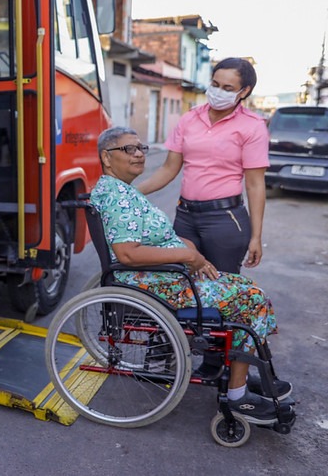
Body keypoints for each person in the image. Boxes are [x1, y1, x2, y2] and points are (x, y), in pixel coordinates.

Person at [90, 126, 292, 425]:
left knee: (246, 287)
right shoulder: (118, 196)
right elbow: (128, 254)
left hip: (164, 277)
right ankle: (237, 396)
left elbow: (146, 239)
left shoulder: (122, 191)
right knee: (251, 299)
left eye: (140, 148)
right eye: (128, 149)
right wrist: (188, 255)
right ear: (107, 158)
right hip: (156, 283)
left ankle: (243, 373)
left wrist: (185, 248)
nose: (138, 154)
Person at [136, 57, 268, 275]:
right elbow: (169, 169)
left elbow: (255, 185)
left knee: (220, 286)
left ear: (244, 91)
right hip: (185, 217)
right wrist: (132, 192)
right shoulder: (189, 118)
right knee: (181, 283)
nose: (218, 91)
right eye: (215, 84)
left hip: (225, 220)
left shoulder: (252, 127)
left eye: (228, 88)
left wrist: (256, 237)